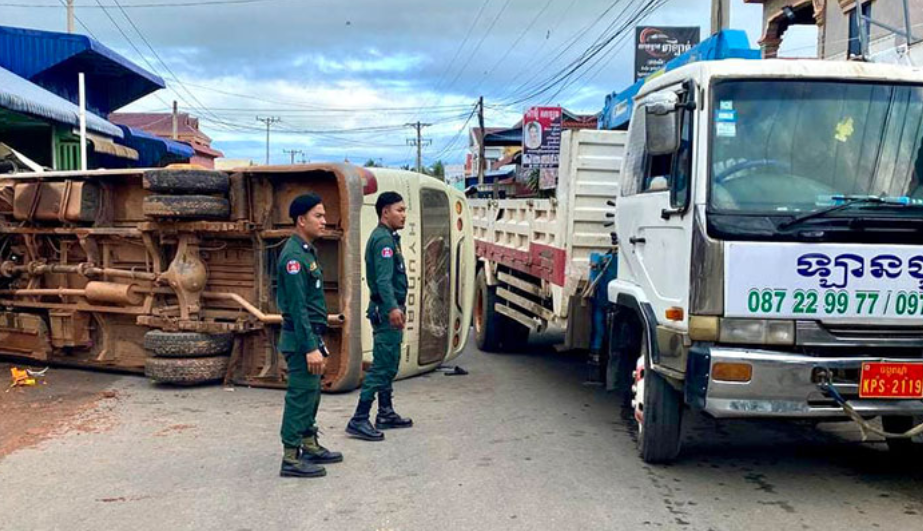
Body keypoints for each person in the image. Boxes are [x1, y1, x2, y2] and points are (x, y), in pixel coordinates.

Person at [277, 193, 343, 478]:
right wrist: (309, 348)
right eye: (319, 216)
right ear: (301, 220)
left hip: (311, 336)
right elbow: (297, 308)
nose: (325, 221)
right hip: (301, 339)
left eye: (324, 215)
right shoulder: (293, 257)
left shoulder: (306, 251)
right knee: (300, 395)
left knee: (311, 394)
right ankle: (291, 457)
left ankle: (308, 442)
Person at [346, 191, 413, 441]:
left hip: (387, 309)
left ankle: (385, 412)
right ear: (385, 212)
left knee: (387, 360)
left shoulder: (388, 237)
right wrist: (394, 308)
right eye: (399, 210)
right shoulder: (383, 241)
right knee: (384, 365)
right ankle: (359, 418)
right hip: (387, 311)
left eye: (405, 210)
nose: (403, 215)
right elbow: (384, 280)